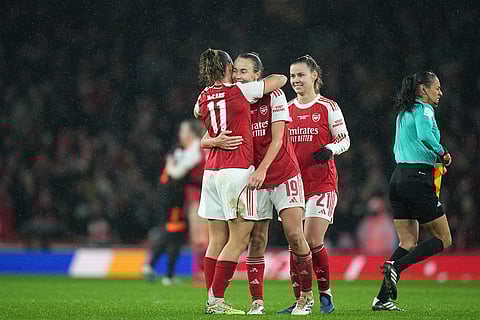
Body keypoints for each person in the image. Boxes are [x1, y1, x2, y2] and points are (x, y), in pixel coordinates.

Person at [202, 53, 314, 315]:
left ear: (257, 76)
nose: (238, 76)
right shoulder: (236, 99)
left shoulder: (273, 97)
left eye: (244, 72)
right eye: (236, 71)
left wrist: (262, 169)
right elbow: (207, 135)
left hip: (282, 173)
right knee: (256, 239)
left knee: (295, 235)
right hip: (251, 177)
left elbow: (277, 140)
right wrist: (212, 142)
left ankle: (306, 296)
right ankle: (257, 301)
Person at [372, 71, 452, 311]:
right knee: (444, 239)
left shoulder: (403, 112)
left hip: (398, 178)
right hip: (417, 178)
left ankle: (382, 299)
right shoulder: (425, 110)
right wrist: (442, 153)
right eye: (437, 87)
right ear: (423, 90)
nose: (441, 92)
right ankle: (396, 268)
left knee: (407, 241)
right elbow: (425, 135)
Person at [278, 55, 350, 314]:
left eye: (301, 75)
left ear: (314, 76)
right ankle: (300, 298)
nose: (296, 80)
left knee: (311, 239)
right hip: (294, 185)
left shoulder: (328, 107)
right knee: (294, 242)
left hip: (322, 183)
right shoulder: (286, 109)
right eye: (293, 76)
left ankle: (325, 293)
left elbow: (344, 139)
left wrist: (330, 148)